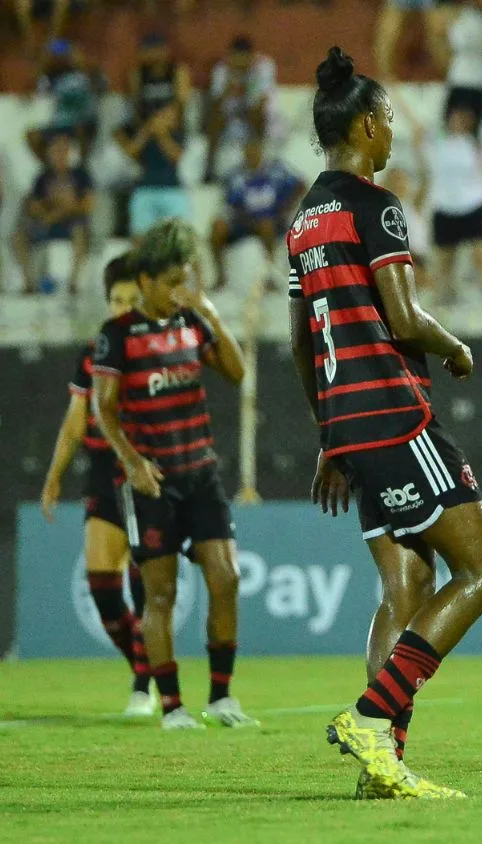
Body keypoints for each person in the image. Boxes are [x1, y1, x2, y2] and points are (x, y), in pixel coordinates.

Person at [289, 47, 482, 800]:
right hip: (394, 413)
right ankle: (372, 718)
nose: (391, 133)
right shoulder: (371, 203)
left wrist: (328, 434)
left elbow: (301, 343)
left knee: (403, 588)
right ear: (365, 126)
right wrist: (454, 346)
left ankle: (381, 772)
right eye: (385, 119)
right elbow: (404, 317)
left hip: (346, 422)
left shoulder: (303, 220)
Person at [91, 220, 255, 730]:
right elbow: (105, 409)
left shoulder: (190, 321)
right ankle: (172, 706)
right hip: (154, 483)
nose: (179, 290)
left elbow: (236, 371)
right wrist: (133, 462)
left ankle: (222, 698)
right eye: (171, 282)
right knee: (160, 594)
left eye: (185, 279)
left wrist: (208, 310)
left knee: (225, 578)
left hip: (201, 472)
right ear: (146, 281)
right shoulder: (117, 336)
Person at [40, 254, 153, 716]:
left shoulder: (156, 349)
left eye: (131, 300)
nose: (123, 308)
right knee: (102, 585)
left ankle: (147, 686)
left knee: (144, 581)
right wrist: (53, 478)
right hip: (103, 474)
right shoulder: (91, 354)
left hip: (146, 474)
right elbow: (73, 423)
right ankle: (142, 670)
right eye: (116, 300)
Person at [209, 134, 305, 291]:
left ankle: (269, 276)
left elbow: (301, 184)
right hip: (243, 221)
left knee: (265, 224)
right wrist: (246, 219)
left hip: (273, 221)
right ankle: (220, 276)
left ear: (261, 151)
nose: (252, 154)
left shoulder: (275, 170)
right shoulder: (236, 175)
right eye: (248, 151)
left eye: (255, 150)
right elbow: (230, 205)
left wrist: (284, 208)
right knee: (217, 226)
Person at [426, 106, 482, 305]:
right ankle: (440, 309)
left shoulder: (477, 143)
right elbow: (415, 123)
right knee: (444, 265)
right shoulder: (436, 142)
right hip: (444, 207)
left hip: (474, 205)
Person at [12, 131, 95, 295]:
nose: (60, 154)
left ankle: (73, 283)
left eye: (64, 150)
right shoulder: (43, 176)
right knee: (19, 235)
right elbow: (32, 206)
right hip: (45, 223)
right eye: (56, 150)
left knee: (81, 233)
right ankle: (29, 282)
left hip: (71, 224)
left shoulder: (80, 174)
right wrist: (59, 204)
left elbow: (87, 204)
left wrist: (58, 210)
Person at [205, 36, 279, 183]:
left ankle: (261, 168)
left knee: (258, 117)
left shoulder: (263, 66)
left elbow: (260, 105)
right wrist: (227, 87)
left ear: (251, 56)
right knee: (213, 121)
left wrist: (246, 85)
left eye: (244, 58)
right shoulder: (222, 70)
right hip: (232, 120)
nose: (240, 63)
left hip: (261, 120)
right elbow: (215, 107)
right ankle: (209, 167)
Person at [116, 104, 188, 237]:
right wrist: (147, 131)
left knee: (179, 236)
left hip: (171, 188)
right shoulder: (144, 135)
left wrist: (162, 135)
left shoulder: (178, 135)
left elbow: (176, 156)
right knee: (139, 234)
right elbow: (131, 152)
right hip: (145, 188)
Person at [441, 0, 482, 130]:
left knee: (475, 128)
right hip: (462, 79)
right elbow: (456, 43)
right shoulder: (463, 17)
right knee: (454, 127)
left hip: (481, 81)